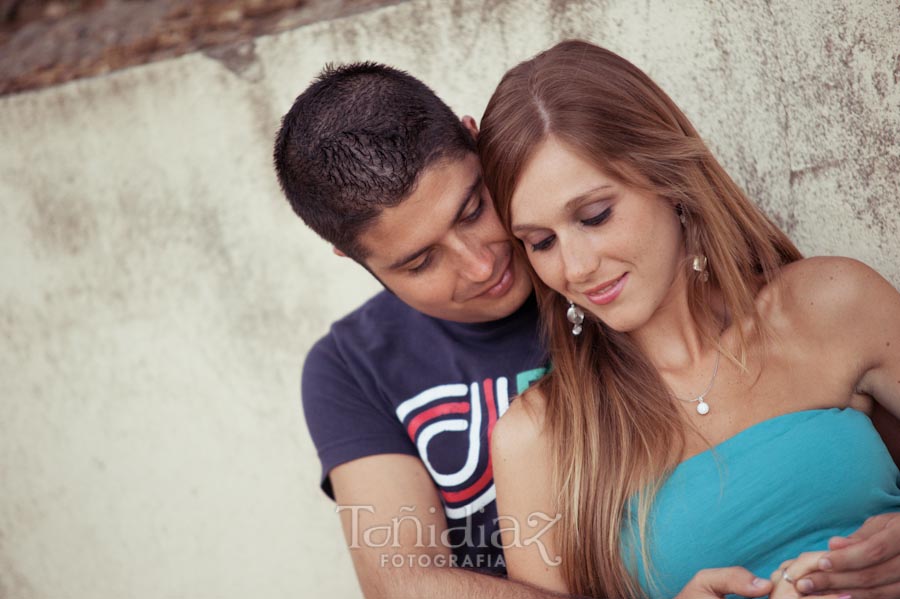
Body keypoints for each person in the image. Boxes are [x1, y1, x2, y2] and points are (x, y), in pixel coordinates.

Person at [274, 60, 900, 599]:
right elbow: (403, 580)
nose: (483, 262)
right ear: (356, 261)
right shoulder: (367, 371)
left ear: (480, 150)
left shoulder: (821, 303)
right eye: (420, 260)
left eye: (473, 211)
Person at [478, 40, 900, 599]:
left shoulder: (832, 302)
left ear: (669, 181)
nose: (576, 267)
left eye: (595, 216)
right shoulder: (538, 436)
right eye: (541, 241)